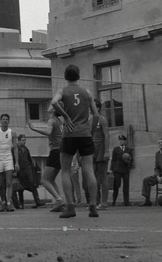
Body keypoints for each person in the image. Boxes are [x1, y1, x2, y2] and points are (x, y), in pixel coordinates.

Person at [51, 63, 100, 218]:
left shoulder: (63, 91)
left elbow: (54, 103)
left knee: (65, 170)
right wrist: (91, 133)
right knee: (89, 170)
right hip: (85, 134)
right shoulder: (87, 92)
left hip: (69, 134)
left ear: (65, 76)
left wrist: (65, 116)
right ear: (78, 76)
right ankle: (93, 206)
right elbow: (96, 115)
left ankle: (70, 206)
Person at [28, 104, 65, 212]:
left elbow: (48, 132)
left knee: (43, 180)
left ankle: (59, 200)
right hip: (60, 151)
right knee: (51, 179)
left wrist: (34, 128)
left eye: (51, 106)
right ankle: (59, 202)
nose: (49, 106)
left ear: (54, 110)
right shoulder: (59, 121)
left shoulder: (52, 120)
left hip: (55, 151)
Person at [0, 113, 19, 212]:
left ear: (9, 121)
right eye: (3, 119)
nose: (5, 120)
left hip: (8, 158)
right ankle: (3, 202)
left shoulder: (12, 133)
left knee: (9, 182)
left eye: (7, 119)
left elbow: (15, 148)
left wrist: (17, 162)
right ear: (0, 121)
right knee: (0, 184)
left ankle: (9, 203)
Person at [13, 134, 46, 209]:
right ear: (19, 140)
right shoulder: (15, 149)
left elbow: (29, 159)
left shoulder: (25, 149)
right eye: (23, 140)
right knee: (20, 187)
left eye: (25, 140)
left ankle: (37, 201)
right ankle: (21, 203)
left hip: (27, 169)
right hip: (20, 170)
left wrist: (31, 167)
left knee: (32, 184)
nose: (24, 142)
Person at [90, 99, 110, 209]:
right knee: (93, 176)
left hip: (101, 148)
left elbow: (107, 135)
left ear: (97, 108)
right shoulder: (90, 120)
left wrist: (106, 151)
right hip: (92, 149)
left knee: (103, 176)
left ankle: (104, 202)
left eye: (91, 106)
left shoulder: (102, 119)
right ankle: (95, 202)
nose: (89, 109)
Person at [110, 134, 134, 206]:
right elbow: (113, 160)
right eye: (120, 140)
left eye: (122, 140)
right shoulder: (115, 149)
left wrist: (129, 163)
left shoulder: (128, 149)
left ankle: (126, 202)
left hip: (125, 169)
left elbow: (131, 159)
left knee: (126, 186)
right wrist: (111, 169)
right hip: (117, 169)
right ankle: (114, 201)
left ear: (125, 141)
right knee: (116, 185)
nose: (121, 141)